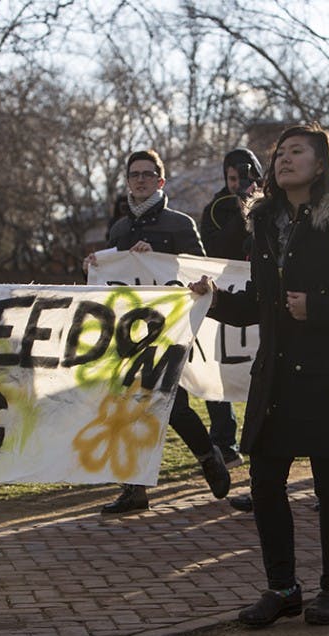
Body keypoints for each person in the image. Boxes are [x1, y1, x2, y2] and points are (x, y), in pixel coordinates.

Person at [190, 123, 329, 626]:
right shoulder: (262, 221)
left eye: (296, 151)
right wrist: (214, 301)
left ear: (322, 163)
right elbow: (265, 304)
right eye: (279, 152)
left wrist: (318, 308)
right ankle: (282, 588)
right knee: (264, 482)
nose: (283, 159)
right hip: (276, 374)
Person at [84, 149, 230, 514]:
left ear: (160, 181)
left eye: (148, 174)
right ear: (127, 180)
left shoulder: (180, 224)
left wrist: (159, 260)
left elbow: (199, 272)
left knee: (175, 405)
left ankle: (208, 456)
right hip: (130, 336)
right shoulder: (118, 228)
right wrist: (94, 266)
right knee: (129, 406)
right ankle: (134, 489)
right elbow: (114, 283)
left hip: (168, 332)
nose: (141, 180)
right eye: (134, 174)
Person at [198, 148, 264, 471]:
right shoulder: (215, 210)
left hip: (256, 298)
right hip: (228, 299)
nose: (238, 183)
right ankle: (224, 440)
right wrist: (241, 208)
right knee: (220, 369)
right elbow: (217, 248)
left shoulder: (270, 205)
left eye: (244, 177)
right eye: (232, 178)